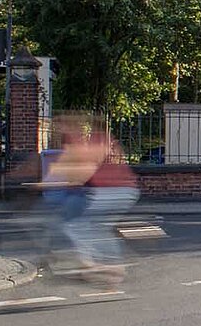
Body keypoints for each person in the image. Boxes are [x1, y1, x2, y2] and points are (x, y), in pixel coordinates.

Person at [44, 116, 139, 288]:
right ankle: (97, 266)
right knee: (90, 227)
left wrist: (67, 181)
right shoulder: (99, 140)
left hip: (113, 190)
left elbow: (85, 167)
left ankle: (107, 266)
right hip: (115, 190)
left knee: (81, 227)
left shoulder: (95, 141)